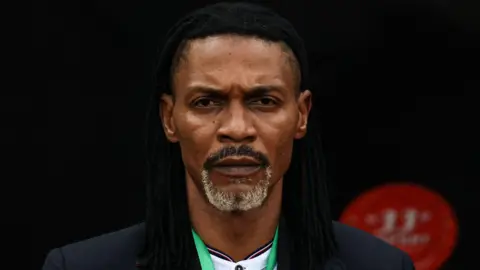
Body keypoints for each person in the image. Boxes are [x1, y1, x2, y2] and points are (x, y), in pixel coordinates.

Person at [43, 2, 415, 270]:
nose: (237, 128)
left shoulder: (380, 264)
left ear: (301, 115)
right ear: (169, 118)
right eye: (206, 102)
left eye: (264, 101)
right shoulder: (80, 266)